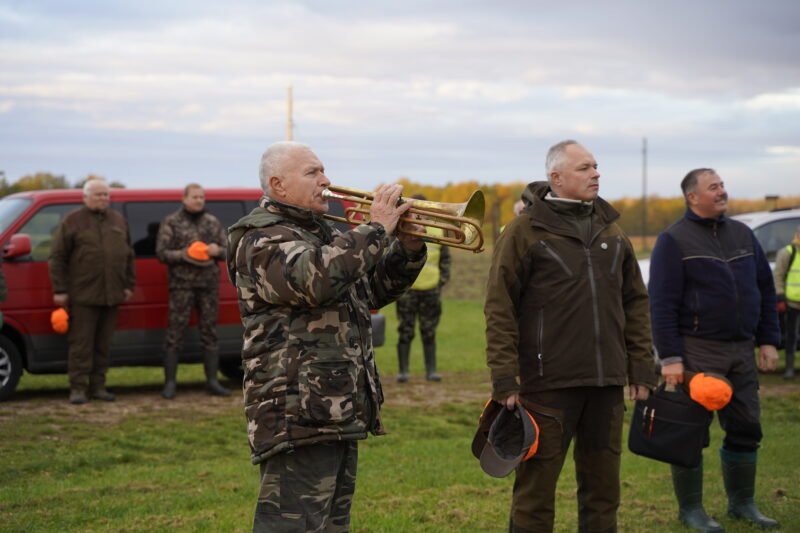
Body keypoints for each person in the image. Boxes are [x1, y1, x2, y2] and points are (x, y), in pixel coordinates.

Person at [226, 141, 427, 532]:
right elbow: (311, 280)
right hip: (296, 412)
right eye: (313, 173)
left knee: (332, 525)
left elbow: (372, 290)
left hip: (334, 405)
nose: (326, 181)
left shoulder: (319, 232)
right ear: (278, 185)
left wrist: (408, 247)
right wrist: (375, 228)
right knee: (292, 526)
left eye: (323, 171)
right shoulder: (260, 238)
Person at [485, 139, 656, 532]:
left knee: (603, 495)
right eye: (584, 168)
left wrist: (641, 367)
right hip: (546, 385)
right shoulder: (524, 231)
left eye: (596, 166)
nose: (596, 173)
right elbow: (499, 307)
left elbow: (635, 302)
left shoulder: (612, 231)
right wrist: (504, 378)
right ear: (556, 177)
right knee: (535, 496)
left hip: (607, 383)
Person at [649, 168, 781, 531]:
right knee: (689, 432)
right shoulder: (673, 241)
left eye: (722, 185)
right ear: (693, 197)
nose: (722, 191)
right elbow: (661, 304)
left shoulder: (742, 234)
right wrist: (671, 358)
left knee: (746, 426)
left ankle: (743, 504)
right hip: (697, 353)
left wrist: (769, 340)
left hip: (741, 349)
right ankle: (691, 510)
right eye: (714, 187)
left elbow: (765, 290)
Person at [48, 179, 136, 405]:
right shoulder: (73, 221)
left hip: (112, 295)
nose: (103, 199)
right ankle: (77, 388)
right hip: (83, 296)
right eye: (98, 195)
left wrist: (128, 285)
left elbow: (128, 256)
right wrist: (60, 289)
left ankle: (98, 387)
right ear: (85, 197)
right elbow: (57, 258)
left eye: (106, 195)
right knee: (81, 345)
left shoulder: (118, 220)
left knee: (103, 345)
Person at [155, 183, 230, 399]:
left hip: (208, 286)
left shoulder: (212, 221)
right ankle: (170, 384)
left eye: (202, 197)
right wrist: (185, 254)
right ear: (184, 199)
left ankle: (213, 381)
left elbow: (227, 251)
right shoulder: (172, 222)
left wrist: (218, 250)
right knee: (174, 333)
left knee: (210, 332)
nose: (199, 200)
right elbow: (161, 252)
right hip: (182, 286)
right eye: (195, 197)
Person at [395, 194, 451, 382]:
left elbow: (445, 259)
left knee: (429, 331)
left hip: (431, 289)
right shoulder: (402, 229)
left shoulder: (438, 231)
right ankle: (403, 372)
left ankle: (431, 371)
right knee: (405, 331)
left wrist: (441, 280)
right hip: (407, 290)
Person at [774, 224, 800, 379]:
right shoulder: (787, 253)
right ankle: (789, 368)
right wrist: (780, 297)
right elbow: (778, 276)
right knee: (791, 336)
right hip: (792, 303)